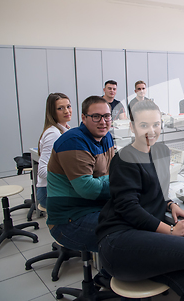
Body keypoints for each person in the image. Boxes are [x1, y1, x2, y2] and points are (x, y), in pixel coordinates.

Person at [96, 100, 184, 301]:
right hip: (119, 242)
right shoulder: (124, 159)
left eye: (156, 124)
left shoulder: (161, 152)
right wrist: (170, 230)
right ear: (132, 126)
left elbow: (157, 191)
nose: (151, 131)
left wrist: (171, 205)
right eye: (144, 125)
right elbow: (129, 208)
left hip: (144, 236)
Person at [46, 95, 114, 253]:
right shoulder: (73, 141)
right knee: (128, 230)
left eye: (106, 116)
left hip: (96, 205)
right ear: (83, 118)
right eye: (96, 117)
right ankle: (106, 277)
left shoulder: (106, 136)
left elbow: (114, 172)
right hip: (69, 219)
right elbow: (88, 189)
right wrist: (123, 183)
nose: (103, 122)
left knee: (141, 215)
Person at [36, 93, 72, 209]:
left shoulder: (65, 129)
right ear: (52, 111)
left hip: (56, 188)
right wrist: (70, 175)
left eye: (68, 106)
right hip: (48, 192)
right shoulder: (53, 134)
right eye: (60, 108)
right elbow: (42, 171)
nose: (67, 111)